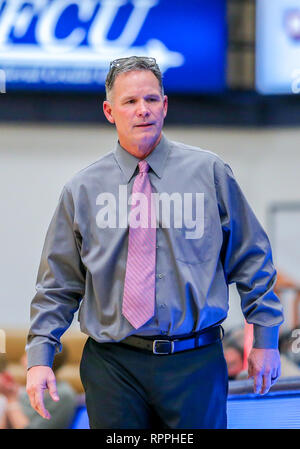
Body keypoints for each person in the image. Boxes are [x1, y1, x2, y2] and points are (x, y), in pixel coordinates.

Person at [25, 56, 284, 429]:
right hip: (113, 365)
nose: (142, 110)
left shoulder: (210, 173)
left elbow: (252, 260)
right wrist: (38, 359)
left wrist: (266, 339)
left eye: (150, 99)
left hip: (195, 361)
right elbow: (57, 285)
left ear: (165, 105)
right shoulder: (81, 190)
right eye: (130, 101)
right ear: (109, 111)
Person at [0, 348, 77, 429]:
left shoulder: (62, 395)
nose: (22, 360)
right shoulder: (25, 391)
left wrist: (11, 399)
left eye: (27, 356)